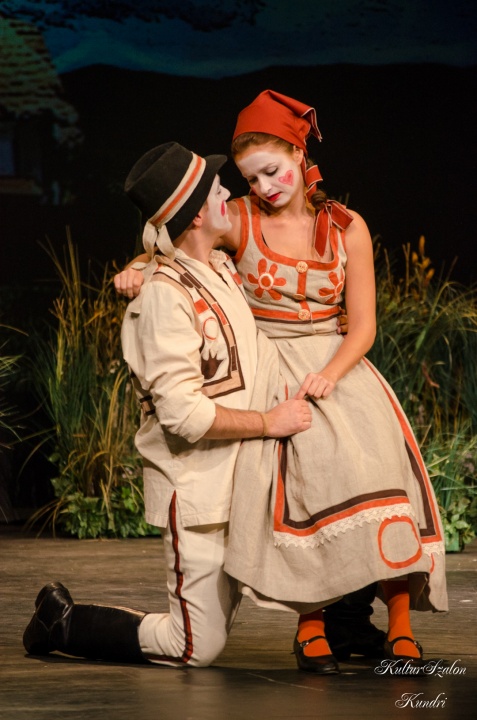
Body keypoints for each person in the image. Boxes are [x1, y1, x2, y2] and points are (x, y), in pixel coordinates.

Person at [113, 91, 448, 675]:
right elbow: (179, 243)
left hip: (338, 365)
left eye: (272, 171)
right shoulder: (238, 220)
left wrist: (331, 375)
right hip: (272, 369)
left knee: (383, 468)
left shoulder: (346, 227)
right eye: (250, 178)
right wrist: (137, 268)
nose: (263, 187)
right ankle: (311, 624)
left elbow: (364, 325)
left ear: (299, 153)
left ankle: (399, 624)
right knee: (305, 478)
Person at [22, 142, 312, 667]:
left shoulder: (219, 267)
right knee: (195, 646)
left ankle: (348, 623)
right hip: (198, 486)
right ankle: (61, 622)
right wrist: (269, 422)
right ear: (197, 214)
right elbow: (185, 415)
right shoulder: (162, 298)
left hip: (239, 480)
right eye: (217, 190)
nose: (228, 195)